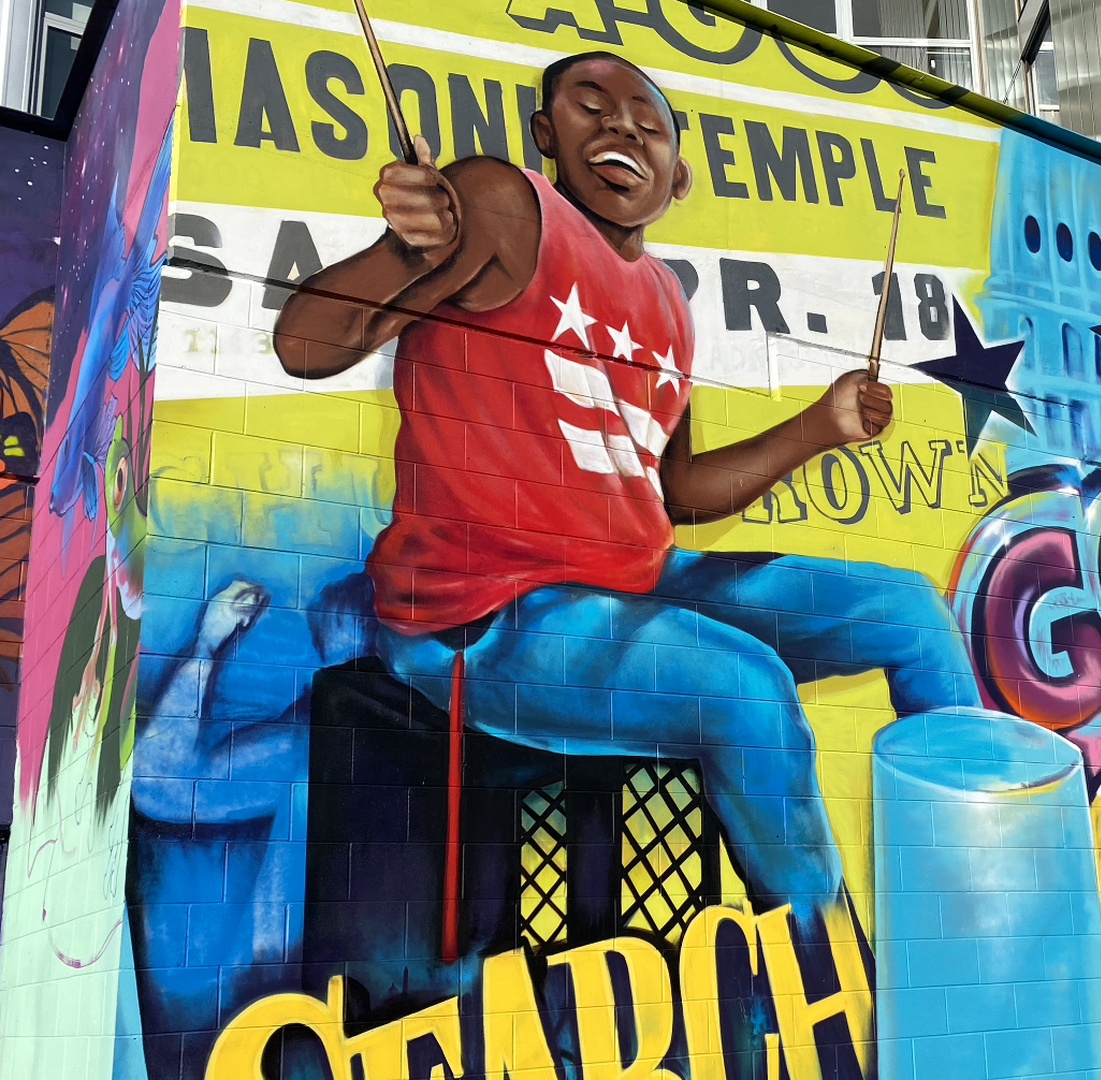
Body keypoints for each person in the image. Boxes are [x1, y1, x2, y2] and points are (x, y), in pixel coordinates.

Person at [273, 52, 981, 952]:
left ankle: (984, 920)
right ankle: (830, 995)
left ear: (675, 177)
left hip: (634, 583)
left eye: (647, 122)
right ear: (546, 137)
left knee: (909, 613)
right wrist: (404, 252)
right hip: (485, 616)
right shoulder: (502, 205)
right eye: (591, 109)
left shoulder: (666, 303)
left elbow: (677, 490)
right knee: (745, 692)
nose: (620, 129)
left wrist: (821, 424)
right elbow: (305, 343)